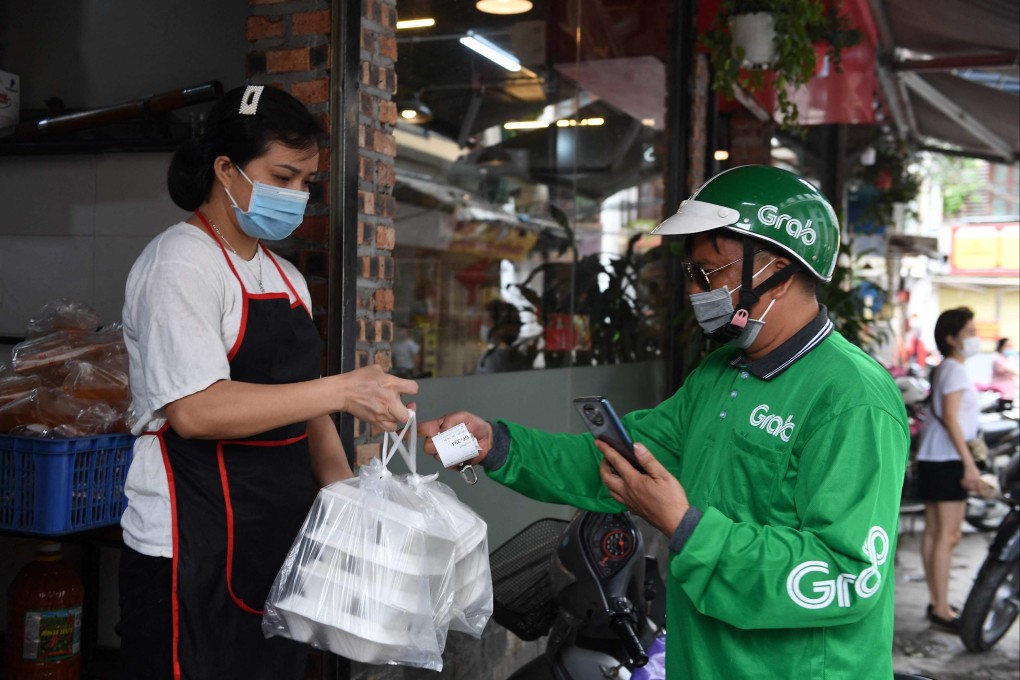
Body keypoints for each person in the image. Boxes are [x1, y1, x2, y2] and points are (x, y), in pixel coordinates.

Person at [419, 165, 910, 678]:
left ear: (777, 269)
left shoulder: (853, 399)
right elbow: (617, 462)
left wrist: (687, 528)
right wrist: (497, 445)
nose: (696, 291)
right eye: (691, 274)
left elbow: (846, 575)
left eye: (710, 273)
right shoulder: (720, 375)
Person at [118, 85, 417, 680]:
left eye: (306, 182)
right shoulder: (179, 263)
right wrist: (340, 389)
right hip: (190, 544)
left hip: (275, 535)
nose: (296, 196)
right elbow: (196, 411)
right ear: (226, 169)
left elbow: (308, 415)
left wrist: (355, 516)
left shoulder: (285, 277)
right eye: (283, 176)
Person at [915, 307, 984, 632]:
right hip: (948, 459)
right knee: (948, 535)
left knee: (934, 533)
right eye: (969, 332)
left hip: (934, 457)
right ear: (951, 338)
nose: (975, 337)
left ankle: (937, 602)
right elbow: (953, 418)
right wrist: (969, 465)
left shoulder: (945, 368)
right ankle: (942, 608)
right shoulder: (954, 370)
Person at [476, 299, 527, 374]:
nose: (518, 327)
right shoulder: (493, 355)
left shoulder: (506, 355)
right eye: (512, 322)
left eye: (518, 323)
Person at [990, 337, 1018, 401]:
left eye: (1011, 346)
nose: (1010, 348)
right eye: (1008, 346)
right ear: (1001, 347)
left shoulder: (1010, 359)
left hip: (1010, 393)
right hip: (1001, 394)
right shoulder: (998, 359)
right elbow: (1013, 371)